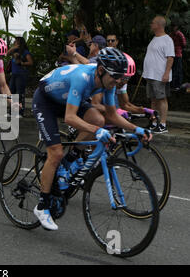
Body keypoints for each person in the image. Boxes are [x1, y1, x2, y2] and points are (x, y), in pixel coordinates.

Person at [31, 47, 152, 231]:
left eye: (122, 77)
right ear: (101, 70)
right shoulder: (82, 78)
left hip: (66, 99)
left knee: (99, 118)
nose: (119, 81)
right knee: (55, 153)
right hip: (46, 101)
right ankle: (42, 206)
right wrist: (96, 131)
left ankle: (70, 160)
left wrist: (137, 129)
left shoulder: (108, 83)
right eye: (116, 76)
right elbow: (69, 118)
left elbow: (112, 115)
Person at [143, 16, 175, 134]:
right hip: (150, 75)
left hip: (159, 75)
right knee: (153, 99)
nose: (151, 24)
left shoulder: (167, 40)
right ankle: (154, 121)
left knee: (161, 99)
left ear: (158, 25)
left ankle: (163, 124)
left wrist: (166, 73)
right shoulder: (154, 38)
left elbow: (170, 58)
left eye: (152, 23)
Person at [7, 37, 33, 117]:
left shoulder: (25, 52)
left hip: (21, 75)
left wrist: (21, 63)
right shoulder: (14, 51)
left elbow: (30, 62)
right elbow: (7, 53)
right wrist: (14, 48)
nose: (15, 43)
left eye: (16, 42)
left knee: (19, 93)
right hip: (14, 74)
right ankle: (11, 111)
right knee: (12, 92)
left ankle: (20, 112)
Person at [170, 22, 186, 91]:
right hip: (171, 54)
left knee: (178, 70)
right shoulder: (171, 35)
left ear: (176, 27)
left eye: (174, 26)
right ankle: (173, 85)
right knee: (173, 70)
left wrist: (178, 48)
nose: (173, 28)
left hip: (178, 54)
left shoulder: (179, 34)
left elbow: (184, 44)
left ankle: (178, 85)